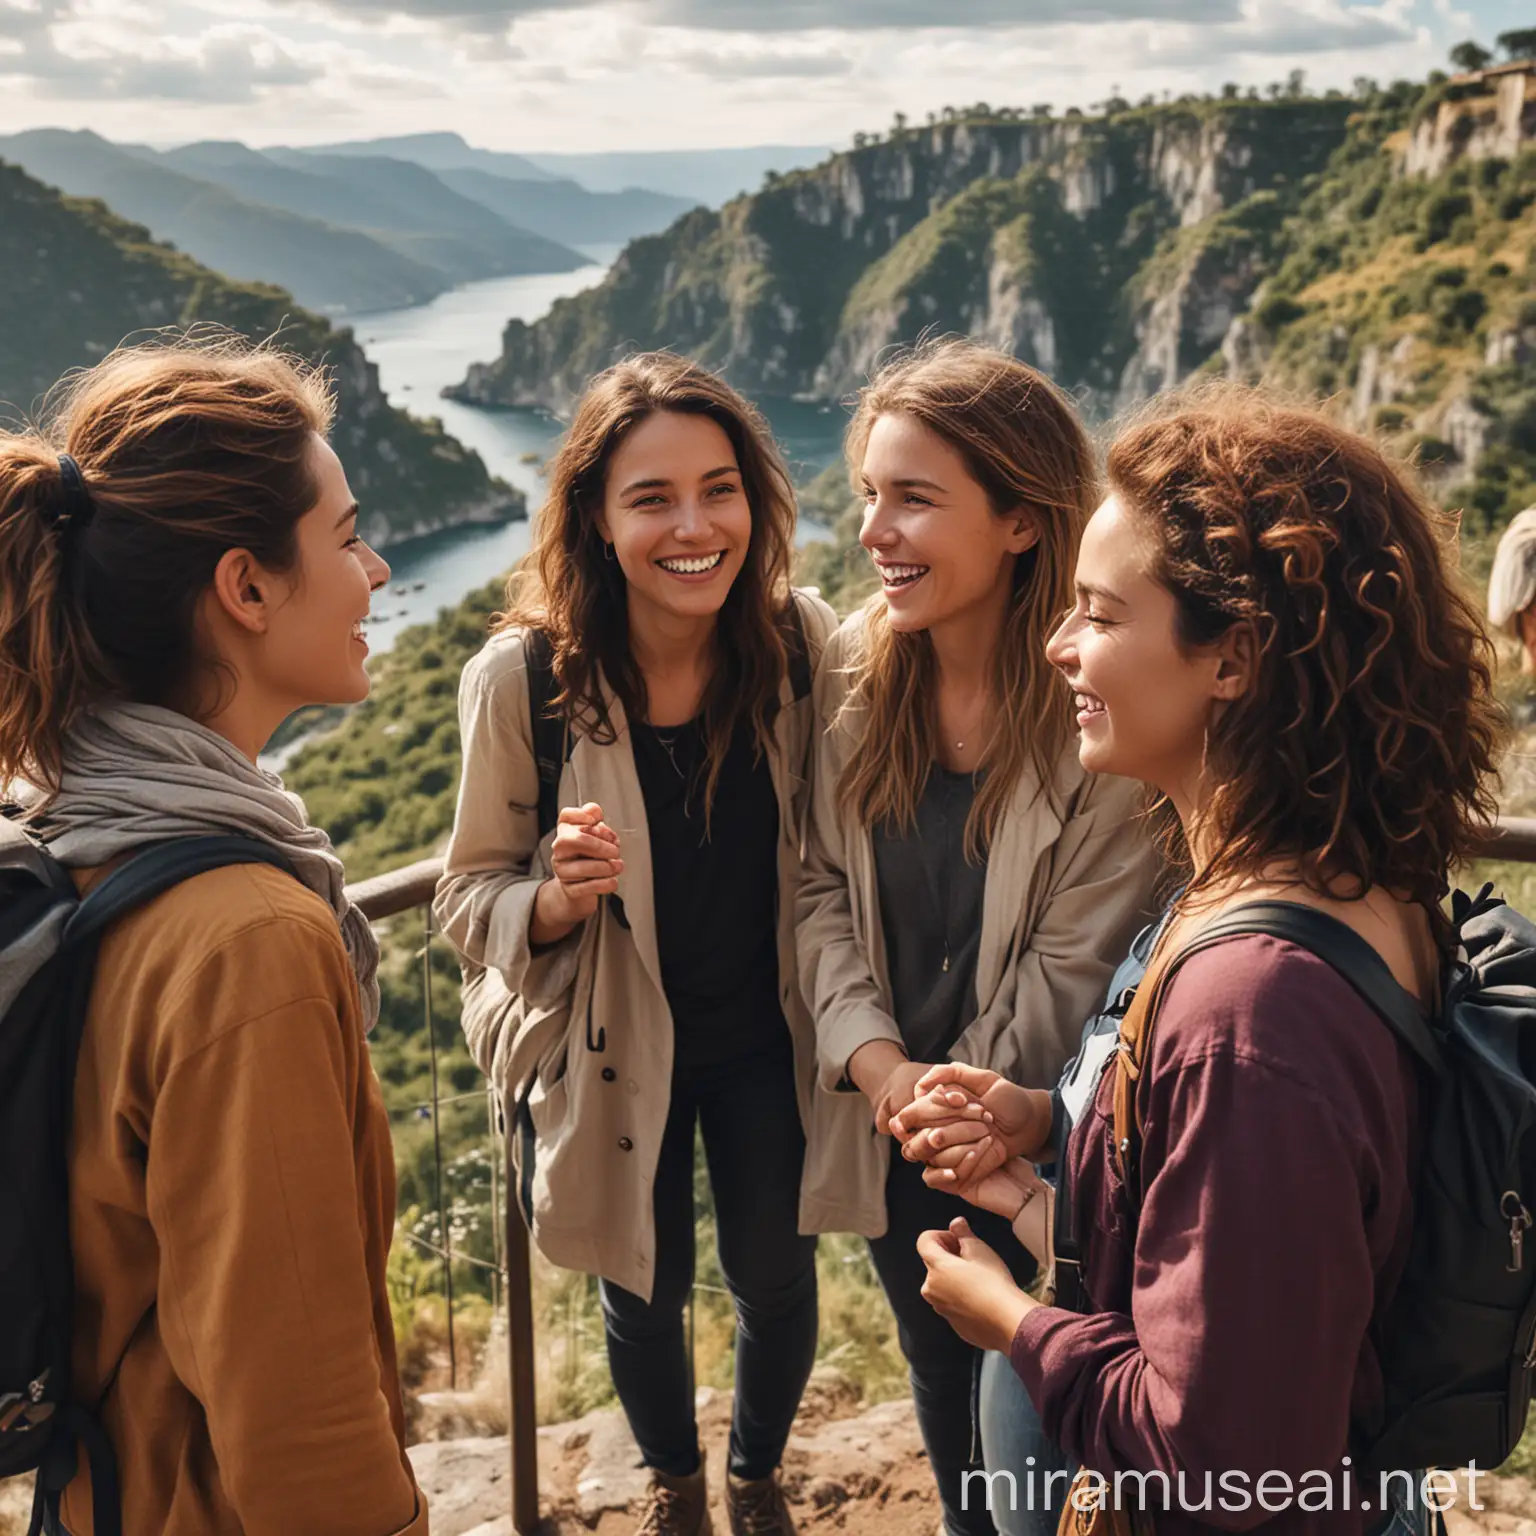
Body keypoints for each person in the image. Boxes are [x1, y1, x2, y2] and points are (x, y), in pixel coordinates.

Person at [905, 388, 1502, 1536]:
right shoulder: (1335, 880)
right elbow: (1242, 1277)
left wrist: (1009, 1321)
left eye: (1099, 613)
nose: (1057, 643)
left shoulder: (1255, 1011)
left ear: (1231, 657)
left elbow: (1230, 1454)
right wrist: (1048, 1165)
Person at [0, 338, 426, 1534]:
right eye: (345, 537)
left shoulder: (61, 840)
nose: (378, 569)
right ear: (245, 588)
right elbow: (299, 1419)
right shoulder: (250, 943)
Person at [434, 353, 837, 1536]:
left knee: (776, 1275)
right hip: (614, 1039)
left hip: (764, 1033)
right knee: (639, 1287)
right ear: (598, 521)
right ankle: (677, 1485)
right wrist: (549, 905)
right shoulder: (528, 679)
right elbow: (465, 894)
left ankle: (757, 1478)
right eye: (651, 498)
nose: (694, 525)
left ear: (754, 499)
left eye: (719, 488)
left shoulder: (798, 647)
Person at [793, 338, 1157, 1536]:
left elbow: (1073, 961)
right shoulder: (854, 671)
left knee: (1044, 1432)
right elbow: (815, 893)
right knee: (936, 1382)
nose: (873, 531)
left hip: (1040, 1144)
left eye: (913, 498)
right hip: (890, 1113)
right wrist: (886, 1073)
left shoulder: (1098, 709)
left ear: (1017, 519)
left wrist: (949, 1113)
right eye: (867, 496)